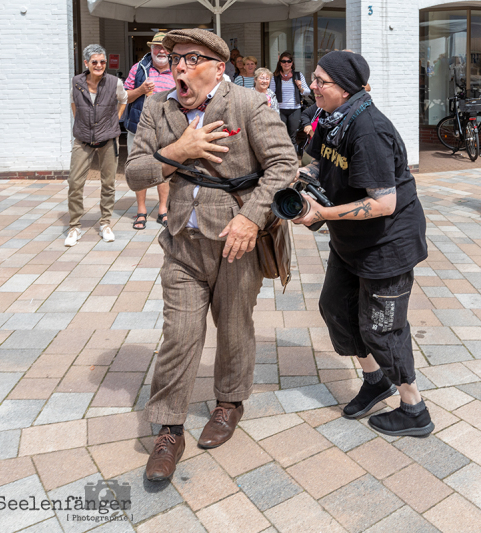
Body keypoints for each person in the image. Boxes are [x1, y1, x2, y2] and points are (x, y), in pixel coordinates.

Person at [125, 28, 296, 481]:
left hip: (238, 243)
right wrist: (176, 152)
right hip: (183, 242)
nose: (177, 65)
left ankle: (228, 402)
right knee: (180, 334)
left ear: (218, 67)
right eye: (173, 58)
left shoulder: (247, 104)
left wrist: (252, 218)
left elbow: (284, 165)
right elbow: (135, 173)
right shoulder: (159, 110)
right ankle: (169, 428)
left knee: (234, 326)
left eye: (190, 58)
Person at [292, 51, 433, 438]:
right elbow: (321, 164)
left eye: (321, 80)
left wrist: (321, 214)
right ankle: (375, 381)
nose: (313, 85)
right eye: (314, 77)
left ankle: (413, 408)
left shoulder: (368, 129)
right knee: (336, 308)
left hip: (387, 245)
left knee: (382, 330)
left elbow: (384, 202)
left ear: (346, 88)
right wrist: (289, 176)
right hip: (351, 241)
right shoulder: (331, 118)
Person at [66, 44, 128, 247]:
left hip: (108, 138)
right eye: (95, 62)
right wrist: (81, 123)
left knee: (108, 183)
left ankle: (105, 223)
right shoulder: (76, 82)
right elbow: (74, 104)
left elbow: (123, 100)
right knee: (75, 182)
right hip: (82, 138)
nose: (99, 65)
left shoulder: (114, 82)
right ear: (86, 63)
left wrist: (114, 121)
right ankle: (75, 226)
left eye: (102, 61)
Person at [123, 32, 175, 230]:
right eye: (156, 47)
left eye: (164, 47)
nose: (160, 50)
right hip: (139, 127)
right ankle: (141, 211)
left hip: (167, 127)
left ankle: (163, 210)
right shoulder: (139, 69)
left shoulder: (177, 68)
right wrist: (140, 90)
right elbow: (124, 97)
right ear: (150, 49)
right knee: (138, 169)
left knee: (165, 168)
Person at [270, 52, 311, 152]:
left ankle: (293, 159)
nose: (286, 63)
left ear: (292, 63)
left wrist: (300, 87)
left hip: (294, 109)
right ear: (280, 63)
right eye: (283, 61)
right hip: (280, 109)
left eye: (288, 61)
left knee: (292, 136)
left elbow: (307, 92)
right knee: (281, 135)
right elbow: (271, 93)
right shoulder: (275, 76)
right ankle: (283, 157)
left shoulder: (298, 75)